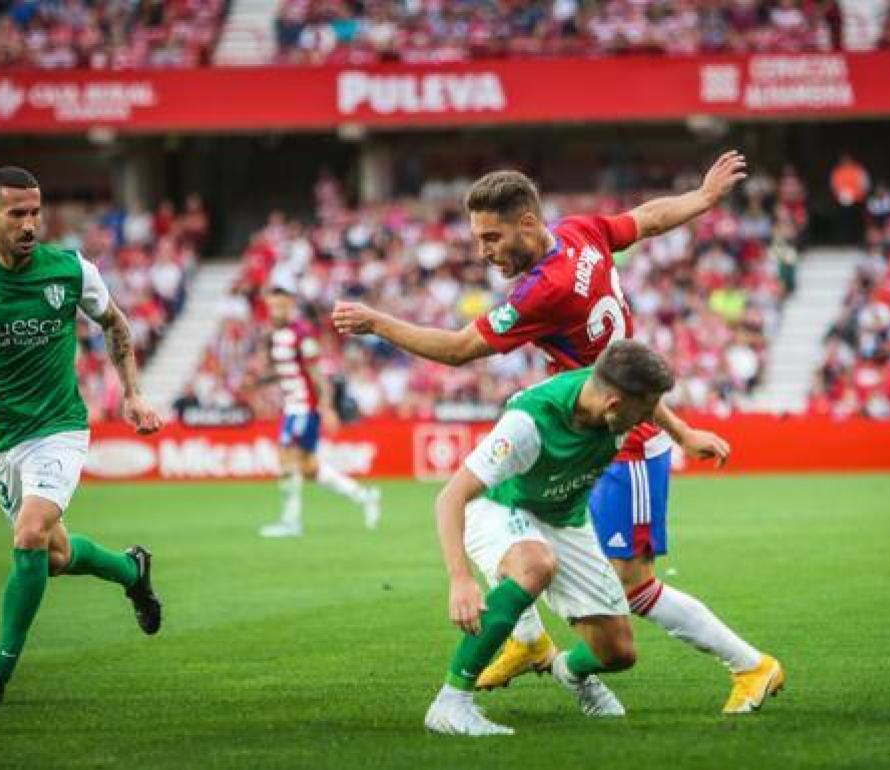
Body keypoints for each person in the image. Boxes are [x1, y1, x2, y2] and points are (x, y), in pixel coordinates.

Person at [334, 153, 783, 715]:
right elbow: (645, 220)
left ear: (528, 223)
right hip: (581, 421)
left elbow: (456, 351)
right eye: (479, 239)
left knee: (634, 587)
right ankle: (525, 642)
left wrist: (378, 324)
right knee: (512, 507)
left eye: (492, 238)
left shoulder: (542, 293)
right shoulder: (581, 231)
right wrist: (702, 198)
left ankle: (750, 664)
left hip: (624, 440)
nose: (484, 252)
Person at [0, 166, 164, 705]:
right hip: (2, 439)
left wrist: (133, 392)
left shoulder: (71, 269)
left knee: (28, 536)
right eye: (17, 214)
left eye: (35, 212)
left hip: (60, 428)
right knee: (50, 555)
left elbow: (116, 325)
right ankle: (130, 570)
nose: (30, 224)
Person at [425, 341, 671, 736]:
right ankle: (451, 702)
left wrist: (687, 433)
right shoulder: (528, 423)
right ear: (613, 404)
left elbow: (650, 403)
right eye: (643, 413)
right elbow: (450, 496)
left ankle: (568, 673)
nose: (648, 422)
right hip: (502, 505)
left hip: (566, 517)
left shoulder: (614, 397)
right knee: (535, 564)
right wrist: (460, 578)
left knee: (618, 653)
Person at [258, 279, 381, 537]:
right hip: (292, 407)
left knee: (287, 457)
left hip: (304, 407)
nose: (276, 312)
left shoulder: (301, 333)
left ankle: (291, 522)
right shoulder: (275, 335)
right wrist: (258, 383)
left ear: (290, 305)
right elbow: (287, 372)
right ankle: (364, 496)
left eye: (280, 306)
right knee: (309, 468)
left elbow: (317, 375)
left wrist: (326, 408)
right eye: (272, 307)